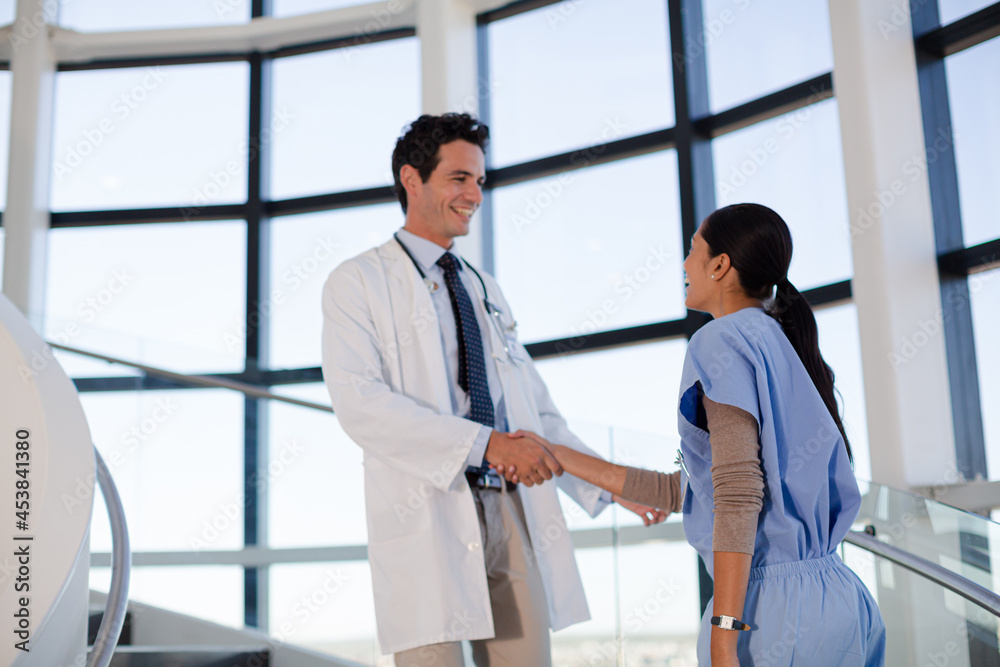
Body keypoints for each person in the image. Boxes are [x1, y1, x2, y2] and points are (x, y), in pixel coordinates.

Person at [320, 113, 663, 667]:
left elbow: (533, 409)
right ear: (413, 179)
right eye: (460, 178)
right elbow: (362, 405)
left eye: (479, 180)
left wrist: (607, 484)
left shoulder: (483, 287)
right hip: (426, 506)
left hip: (509, 509)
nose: (475, 194)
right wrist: (488, 445)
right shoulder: (357, 281)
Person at [497, 203, 886, 666]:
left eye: (692, 251)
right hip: (840, 599)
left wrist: (724, 634)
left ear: (720, 265)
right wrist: (555, 454)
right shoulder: (785, 342)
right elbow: (695, 489)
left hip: (770, 613)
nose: (684, 265)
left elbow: (737, 491)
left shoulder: (719, 340)